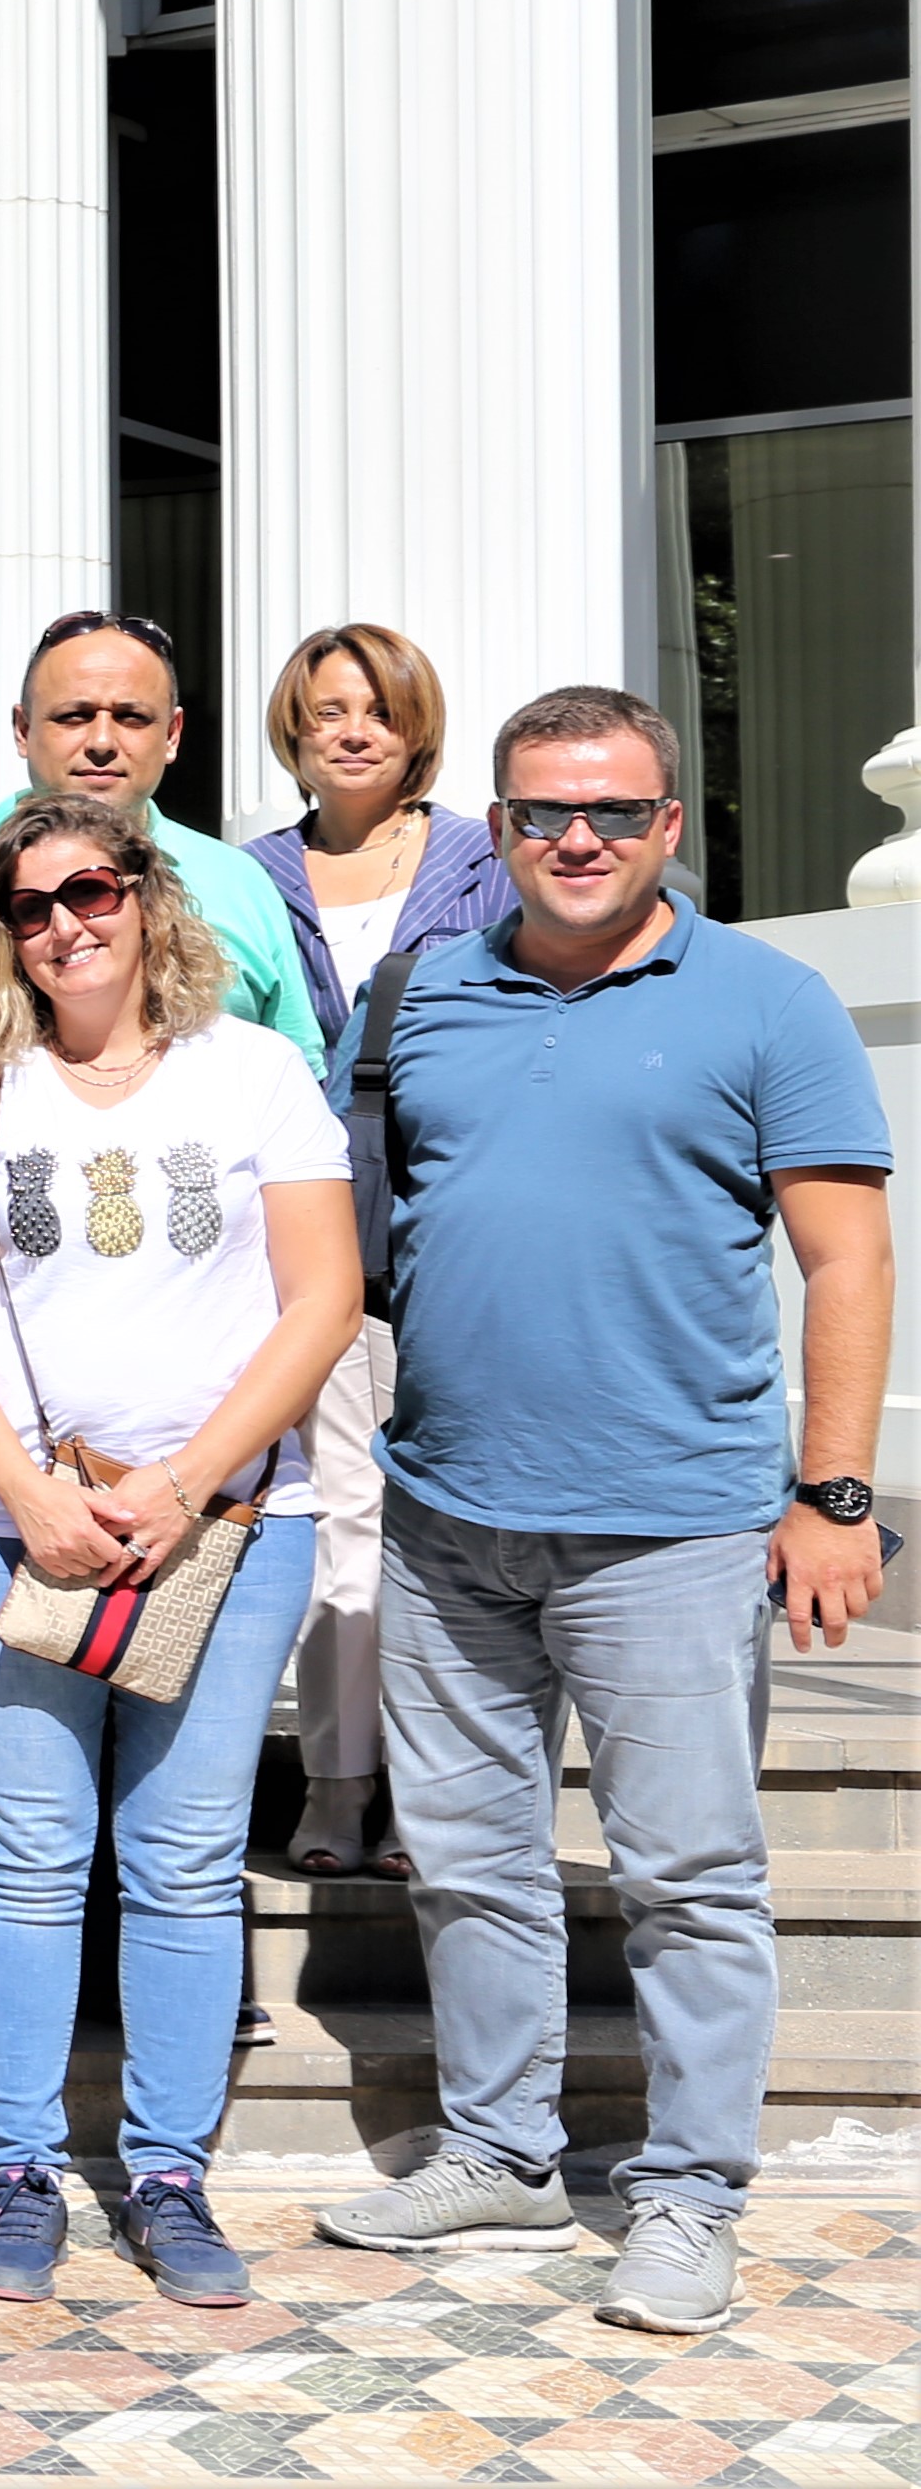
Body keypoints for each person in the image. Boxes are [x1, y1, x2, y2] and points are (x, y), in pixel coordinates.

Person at [313, 688, 893, 2340]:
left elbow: (847, 1256)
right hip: (445, 1506)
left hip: (673, 1522)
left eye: (615, 812)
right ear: (495, 826)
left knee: (689, 1875)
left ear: (669, 826)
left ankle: (690, 2192)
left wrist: (833, 1496)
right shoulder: (419, 994)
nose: (579, 839)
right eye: (544, 812)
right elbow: (342, 1233)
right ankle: (498, 2148)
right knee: (468, 1860)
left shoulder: (766, 1001)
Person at [0, 793, 354, 2309]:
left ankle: (166, 2174)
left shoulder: (253, 1068)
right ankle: (20, 2169)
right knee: (26, 1856)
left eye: (89, 889)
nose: (63, 924)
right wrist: (26, 1491)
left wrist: (185, 1482)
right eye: (27, 906)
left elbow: (322, 1296)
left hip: (226, 1528)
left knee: (184, 1859)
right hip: (1, 1532)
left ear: (146, 893)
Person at [238, 623, 511, 1880]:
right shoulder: (247, 876)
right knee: (340, 1507)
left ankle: (431, 1785)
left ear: (416, 730)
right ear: (292, 731)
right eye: (325, 710)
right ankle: (340, 1778)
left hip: (457, 1228)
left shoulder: (486, 862)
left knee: (451, 1517)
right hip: (306, 1236)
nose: (351, 732)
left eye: (377, 711)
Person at [0, 612, 321, 1065]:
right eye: (73, 716)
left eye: (132, 717)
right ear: (23, 730)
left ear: (172, 735)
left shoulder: (241, 883)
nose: (101, 742)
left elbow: (298, 1069)